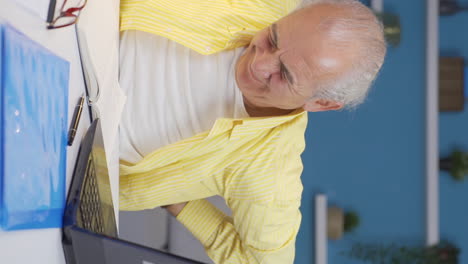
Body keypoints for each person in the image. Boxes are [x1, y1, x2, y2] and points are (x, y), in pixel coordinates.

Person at [118, 0, 386, 263]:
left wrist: (181, 203)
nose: (259, 64)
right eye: (272, 39)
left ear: (321, 103)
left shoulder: (271, 170)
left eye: (284, 74)